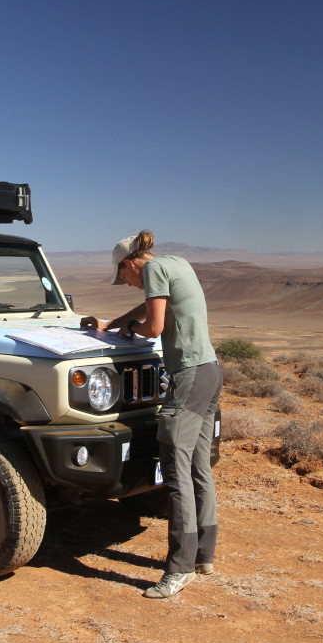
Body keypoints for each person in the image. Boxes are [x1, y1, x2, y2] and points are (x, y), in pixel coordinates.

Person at [80, 231, 222, 599]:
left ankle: (178, 569)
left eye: (123, 278)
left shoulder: (154, 270)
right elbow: (148, 308)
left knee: (176, 473)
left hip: (188, 377)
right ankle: (204, 556)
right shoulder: (178, 263)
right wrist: (112, 325)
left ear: (129, 264)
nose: (127, 284)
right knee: (199, 467)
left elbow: (153, 326)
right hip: (210, 370)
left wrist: (129, 331)